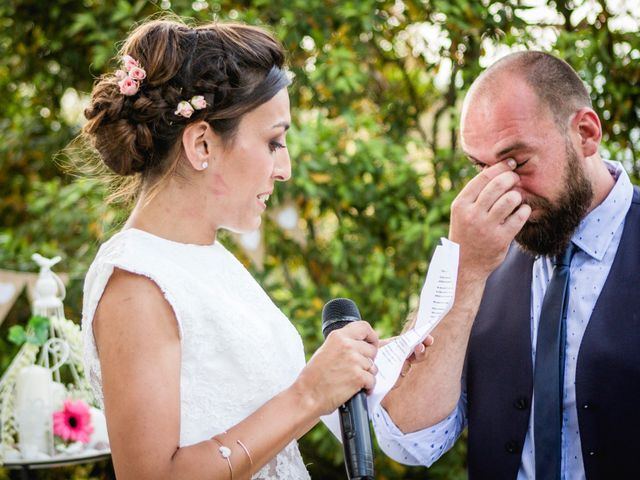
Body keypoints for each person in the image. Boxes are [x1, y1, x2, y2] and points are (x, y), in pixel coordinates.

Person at [80, 18, 384, 480]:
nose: (284, 169)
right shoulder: (137, 285)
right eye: (273, 142)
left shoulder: (210, 259)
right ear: (202, 143)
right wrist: (308, 395)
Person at [373, 51, 640, 479]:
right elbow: (411, 441)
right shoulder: (477, 253)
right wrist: (465, 276)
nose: (500, 190)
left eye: (517, 162)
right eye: (481, 167)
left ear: (586, 134)